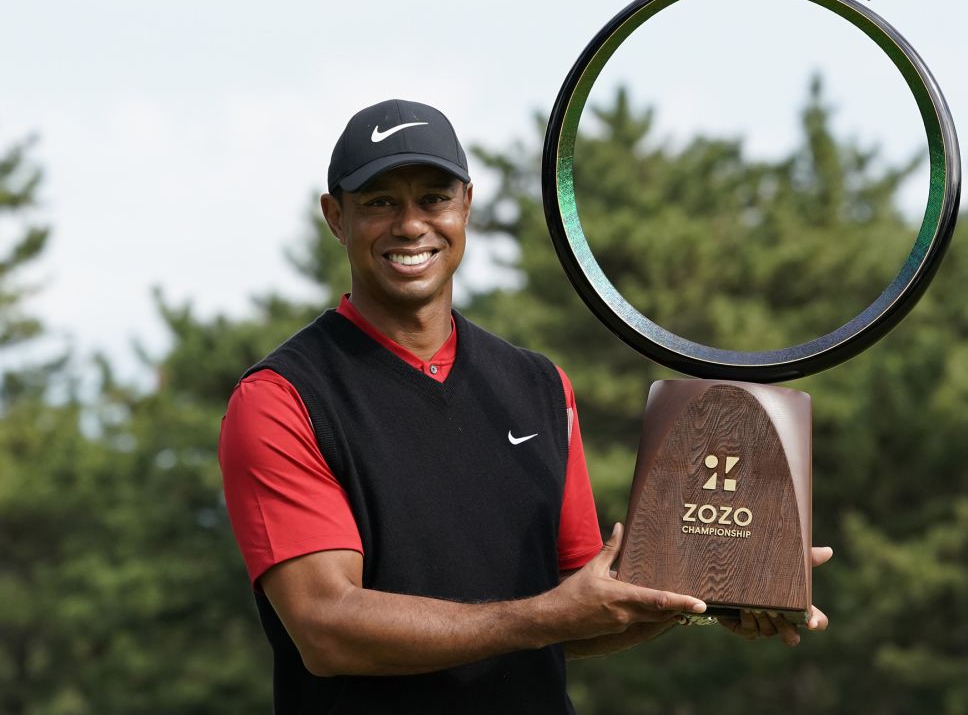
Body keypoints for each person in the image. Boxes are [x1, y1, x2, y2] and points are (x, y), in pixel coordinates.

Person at [218, 99, 832, 715]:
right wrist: (545, 617)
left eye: (433, 198)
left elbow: (579, 605)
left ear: (466, 205)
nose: (410, 225)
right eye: (379, 202)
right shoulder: (281, 398)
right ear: (335, 217)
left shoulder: (538, 384)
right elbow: (328, 629)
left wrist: (718, 588)